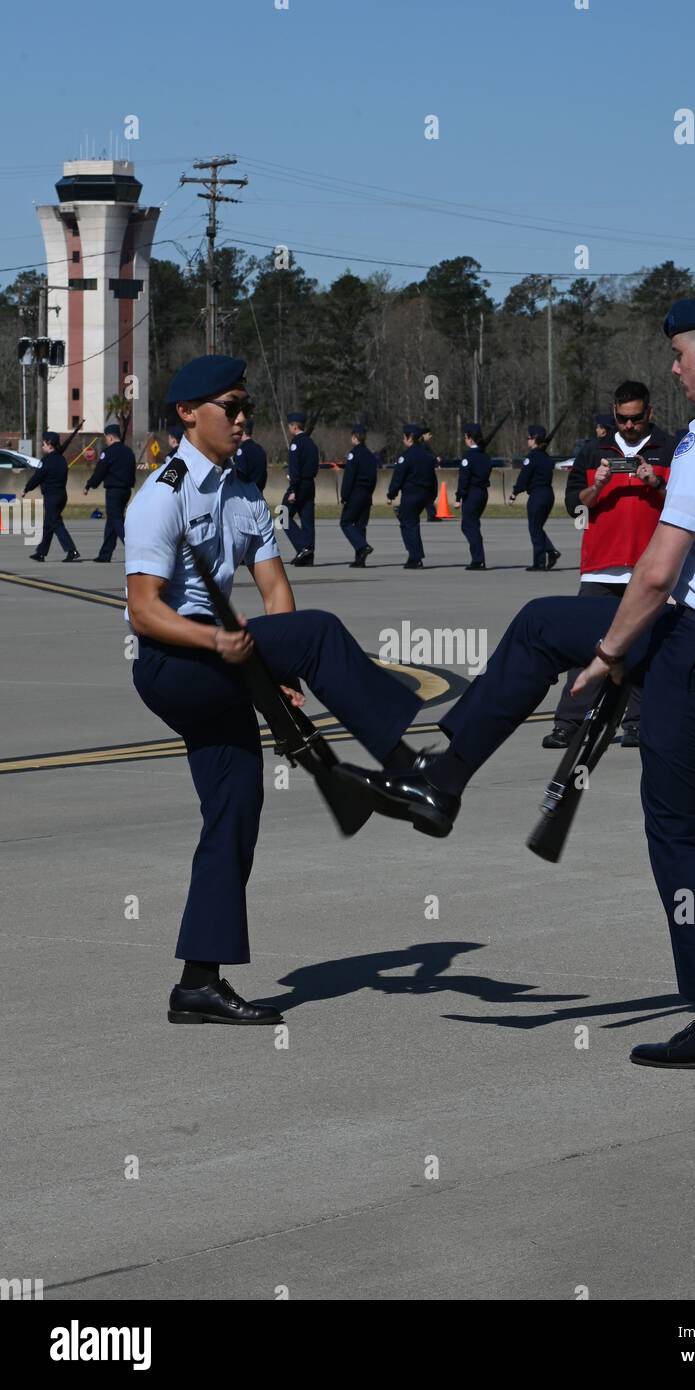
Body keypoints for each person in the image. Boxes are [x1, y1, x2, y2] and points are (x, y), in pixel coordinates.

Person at [343, 290, 695, 1072]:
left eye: (678, 355)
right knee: (545, 625)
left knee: (675, 828)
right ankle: (444, 778)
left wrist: (605, 660)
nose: (673, 370)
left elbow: (659, 572)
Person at [123, 355, 424, 1026]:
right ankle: (408, 766)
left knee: (236, 806)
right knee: (319, 634)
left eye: (243, 406)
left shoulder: (243, 493)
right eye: (228, 406)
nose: (240, 418)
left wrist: (278, 678)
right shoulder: (161, 496)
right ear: (186, 414)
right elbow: (144, 609)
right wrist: (225, 648)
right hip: (174, 663)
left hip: (222, 664)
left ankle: (198, 983)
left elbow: (274, 589)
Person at [543, 382, 674, 749]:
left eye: (635, 418)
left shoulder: (671, 449)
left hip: (649, 568)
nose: (629, 426)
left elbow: (687, 505)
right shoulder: (591, 451)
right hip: (600, 567)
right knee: (586, 646)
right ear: (614, 413)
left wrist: (656, 484)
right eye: (622, 418)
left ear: (649, 412)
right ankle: (569, 722)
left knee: (646, 648)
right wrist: (596, 488)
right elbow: (575, 506)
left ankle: (636, 721)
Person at [509, 424, 561, 570]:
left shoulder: (531, 458)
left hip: (537, 496)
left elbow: (523, 477)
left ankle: (539, 562)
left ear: (534, 439)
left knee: (534, 529)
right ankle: (551, 552)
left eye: (529, 437)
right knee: (537, 527)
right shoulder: (546, 458)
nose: (527, 440)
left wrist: (514, 493)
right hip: (548, 495)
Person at [23, 431, 81, 563]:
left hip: (52, 497)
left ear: (49, 444)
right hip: (61, 496)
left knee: (56, 524)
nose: (42, 446)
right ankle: (41, 553)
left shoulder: (47, 461)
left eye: (43, 443)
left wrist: (26, 488)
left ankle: (72, 550)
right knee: (48, 524)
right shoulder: (61, 460)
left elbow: (37, 477)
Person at [386, 423, 438, 568]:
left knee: (409, 525)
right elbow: (433, 479)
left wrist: (391, 494)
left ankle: (415, 557)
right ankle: (414, 555)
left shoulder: (406, 457)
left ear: (410, 438)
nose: (403, 440)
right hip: (425, 495)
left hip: (411, 495)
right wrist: (432, 496)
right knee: (410, 523)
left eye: (404, 437)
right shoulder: (428, 456)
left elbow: (398, 477)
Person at [84, 422, 137, 562]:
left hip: (114, 491)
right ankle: (105, 554)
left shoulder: (108, 453)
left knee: (116, 520)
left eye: (106, 438)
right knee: (112, 522)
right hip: (126, 491)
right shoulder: (129, 452)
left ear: (111, 437)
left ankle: (135, 548)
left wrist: (90, 485)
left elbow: (100, 471)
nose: (106, 441)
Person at [281, 411, 319, 566]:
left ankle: (303, 547)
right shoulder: (311, 443)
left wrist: (293, 489)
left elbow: (295, 469)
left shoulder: (296, 443)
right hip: (310, 484)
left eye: (290, 426)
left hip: (299, 485)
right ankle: (308, 558)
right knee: (307, 520)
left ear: (294, 426)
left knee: (282, 516)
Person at [454, 422, 493, 570]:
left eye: (465, 437)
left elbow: (464, 479)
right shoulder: (485, 456)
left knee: (469, 526)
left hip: (472, 493)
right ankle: (478, 557)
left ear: (470, 438)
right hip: (483, 493)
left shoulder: (469, 456)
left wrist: (458, 498)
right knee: (473, 525)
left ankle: (478, 559)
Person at [340, 424, 378, 566]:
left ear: (354, 437)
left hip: (355, 493)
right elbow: (374, 477)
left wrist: (344, 496)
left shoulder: (354, 454)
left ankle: (362, 546)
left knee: (346, 522)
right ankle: (360, 559)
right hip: (367, 493)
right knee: (361, 525)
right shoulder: (370, 455)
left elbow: (349, 477)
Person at [234, 419, 268, 493]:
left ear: (242, 431)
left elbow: (240, 475)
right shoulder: (260, 449)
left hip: (246, 494)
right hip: (259, 492)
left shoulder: (242, 450)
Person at [420, 425, 441, 521]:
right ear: (423, 435)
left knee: (432, 493)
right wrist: (435, 459)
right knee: (430, 493)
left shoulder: (425, 445)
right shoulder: (423, 446)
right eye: (429, 434)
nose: (431, 436)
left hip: (429, 472)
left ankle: (431, 514)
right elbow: (426, 457)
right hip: (426, 474)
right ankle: (432, 514)